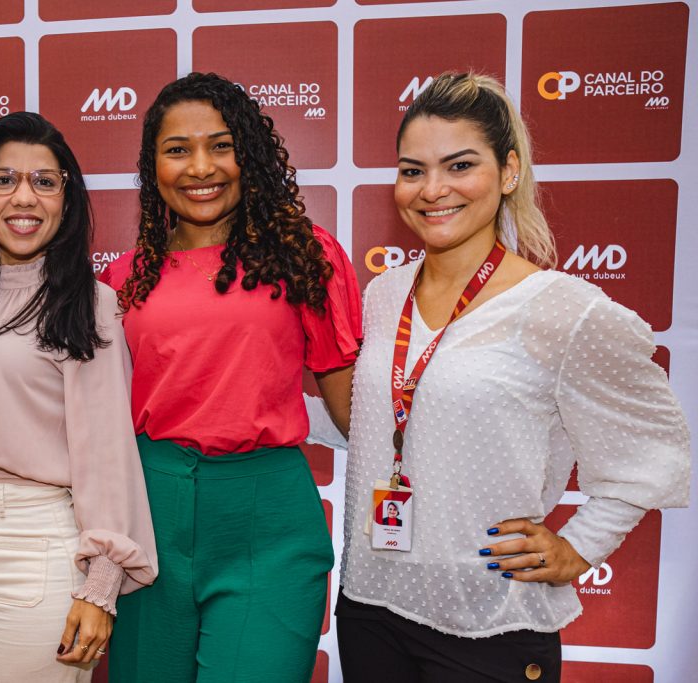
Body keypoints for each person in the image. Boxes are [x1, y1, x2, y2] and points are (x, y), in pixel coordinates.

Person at [306, 72, 691, 682]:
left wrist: (583, 544)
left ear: (509, 171)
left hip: (490, 620)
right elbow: (377, 420)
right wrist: (247, 400)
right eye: (412, 170)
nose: (432, 190)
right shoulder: (384, 294)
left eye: (459, 166)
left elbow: (654, 449)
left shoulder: (561, 307)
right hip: (371, 603)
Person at [99, 72, 362, 683]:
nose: (200, 167)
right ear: (152, 165)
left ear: (251, 153)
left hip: (266, 519)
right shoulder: (122, 278)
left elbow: (355, 410)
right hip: (149, 516)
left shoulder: (305, 254)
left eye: (222, 145)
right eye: (177, 150)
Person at [0, 112, 157, 683]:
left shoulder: (87, 303)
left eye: (45, 181)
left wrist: (100, 586)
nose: (25, 197)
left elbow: (107, 452)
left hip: (36, 555)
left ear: (67, 199)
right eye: (5, 180)